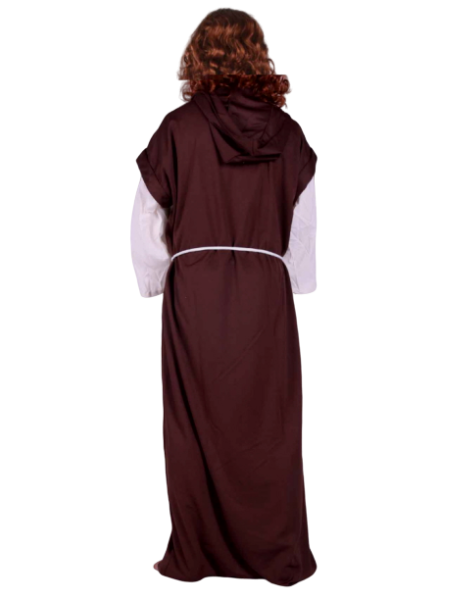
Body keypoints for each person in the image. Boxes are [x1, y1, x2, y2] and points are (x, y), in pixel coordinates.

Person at [130, 7, 318, 588]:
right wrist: (298, 280)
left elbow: (146, 218)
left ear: (197, 55)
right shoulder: (289, 134)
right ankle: (273, 555)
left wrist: (156, 280)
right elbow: (304, 222)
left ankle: (197, 556)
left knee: (193, 425)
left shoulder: (176, 128)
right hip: (265, 293)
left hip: (196, 294)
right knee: (269, 425)